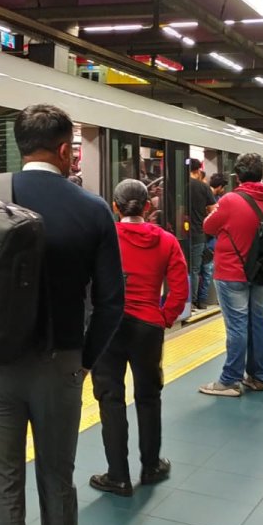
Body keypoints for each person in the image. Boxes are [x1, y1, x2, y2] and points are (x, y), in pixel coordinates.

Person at [0, 104, 124, 525]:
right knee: (57, 481)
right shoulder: (92, 210)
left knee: (2, 489)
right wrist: (86, 359)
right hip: (60, 366)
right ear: (63, 150)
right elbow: (112, 301)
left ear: (20, 144)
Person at [89, 179, 187, 497]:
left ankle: (117, 475)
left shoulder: (103, 238)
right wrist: (164, 317)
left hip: (109, 326)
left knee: (111, 399)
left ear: (114, 207)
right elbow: (180, 287)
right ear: (148, 206)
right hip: (148, 327)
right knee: (148, 397)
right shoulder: (167, 241)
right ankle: (151, 466)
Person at [199, 153, 263, 397]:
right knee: (257, 322)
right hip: (261, 271)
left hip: (232, 271)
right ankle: (256, 376)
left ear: (238, 176)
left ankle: (230, 380)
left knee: (237, 327)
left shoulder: (230, 199)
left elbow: (208, 226)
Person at [187, 158, 217, 310]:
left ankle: (186, 302)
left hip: (179, 234)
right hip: (198, 233)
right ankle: (194, 301)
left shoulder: (179, 184)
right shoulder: (203, 187)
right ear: (198, 171)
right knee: (195, 269)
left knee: (184, 268)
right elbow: (213, 211)